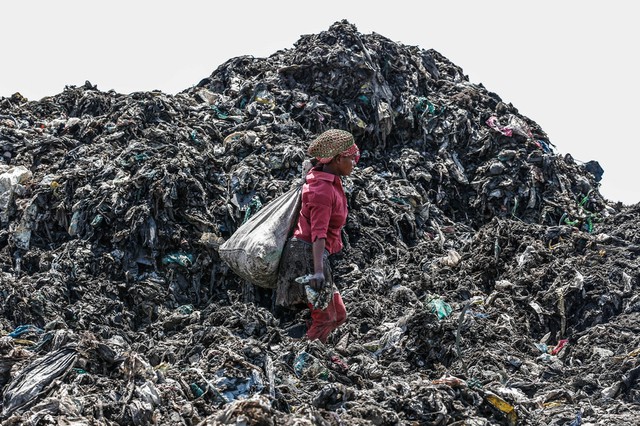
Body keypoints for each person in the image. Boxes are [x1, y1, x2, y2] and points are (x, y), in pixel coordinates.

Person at [275, 129, 359, 342]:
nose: (354, 163)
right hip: (307, 256)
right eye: (351, 158)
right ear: (339, 159)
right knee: (325, 316)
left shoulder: (330, 181)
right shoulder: (321, 190)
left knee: (338, 315)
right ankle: (306, 356)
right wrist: (318, 272)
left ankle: (304, 339)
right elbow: (318, 234)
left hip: (314, 255)